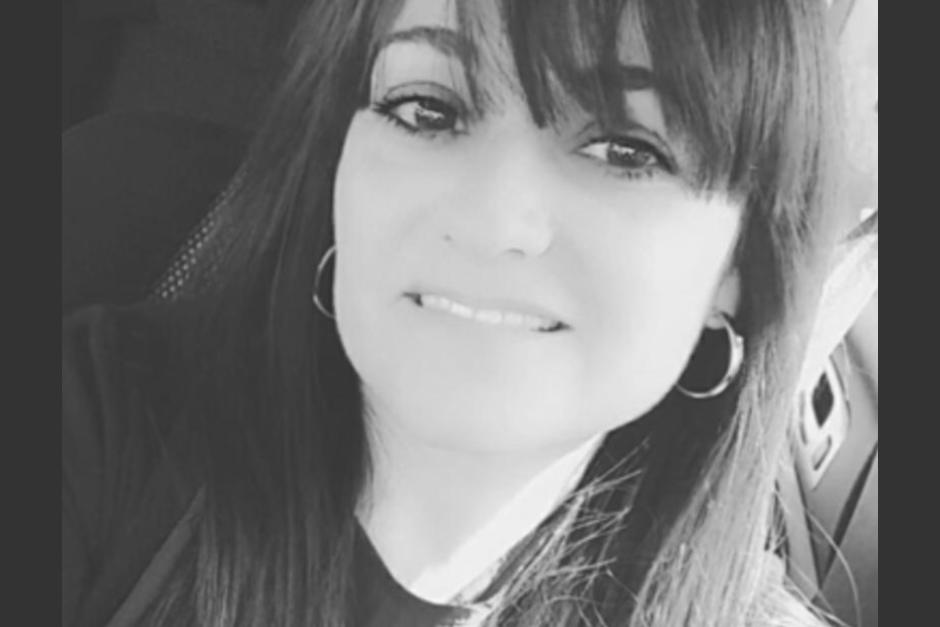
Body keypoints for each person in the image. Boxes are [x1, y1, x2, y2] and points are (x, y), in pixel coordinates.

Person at [62, 0, 844, 625]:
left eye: (625, 149)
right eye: (426, 111)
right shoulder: (95, 421)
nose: (491, 220)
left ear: (737, 270)